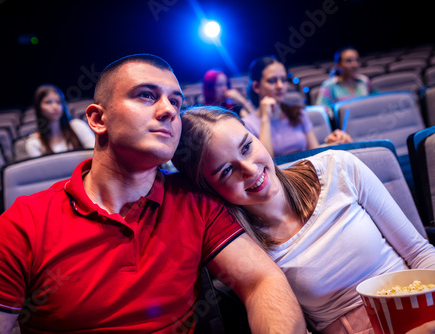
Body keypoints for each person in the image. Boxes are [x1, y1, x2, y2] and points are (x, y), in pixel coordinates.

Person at [0, 54, 306, 333]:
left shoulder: (195, 201)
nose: (168, 110)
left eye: (176, 103)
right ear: (98, 119)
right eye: (147, 96)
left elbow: (262, 281)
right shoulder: (25, 224)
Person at [172, 105, 435, 333]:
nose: (250, 170)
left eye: (247, 147)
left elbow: (420, 252)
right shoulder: (240, 246)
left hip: (422, 303)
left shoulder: (338, 167)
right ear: (209, 188)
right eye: (227, 170)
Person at [242, 56, 352, 158]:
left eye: (283, 80)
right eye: (272, 81)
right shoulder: (248, 124)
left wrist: (331, 143)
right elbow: (265, 161)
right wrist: (265, 119)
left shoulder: (297, 112)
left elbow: (313, 151)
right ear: (256, 86)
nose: (280, 86)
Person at [24, 84, 95, 158]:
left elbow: (94, 154)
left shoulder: (78, 126)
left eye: (59, 102)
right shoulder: (33, 143)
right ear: (39, 108)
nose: (55, 107)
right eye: (48, 102)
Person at [316, 46, 376, 118]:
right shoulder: (329, 85)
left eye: (357, 60)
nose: (355, 65)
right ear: (338, 65)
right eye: (348, 61)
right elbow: (322, 112)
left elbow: (376, 101)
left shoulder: (364, 81)